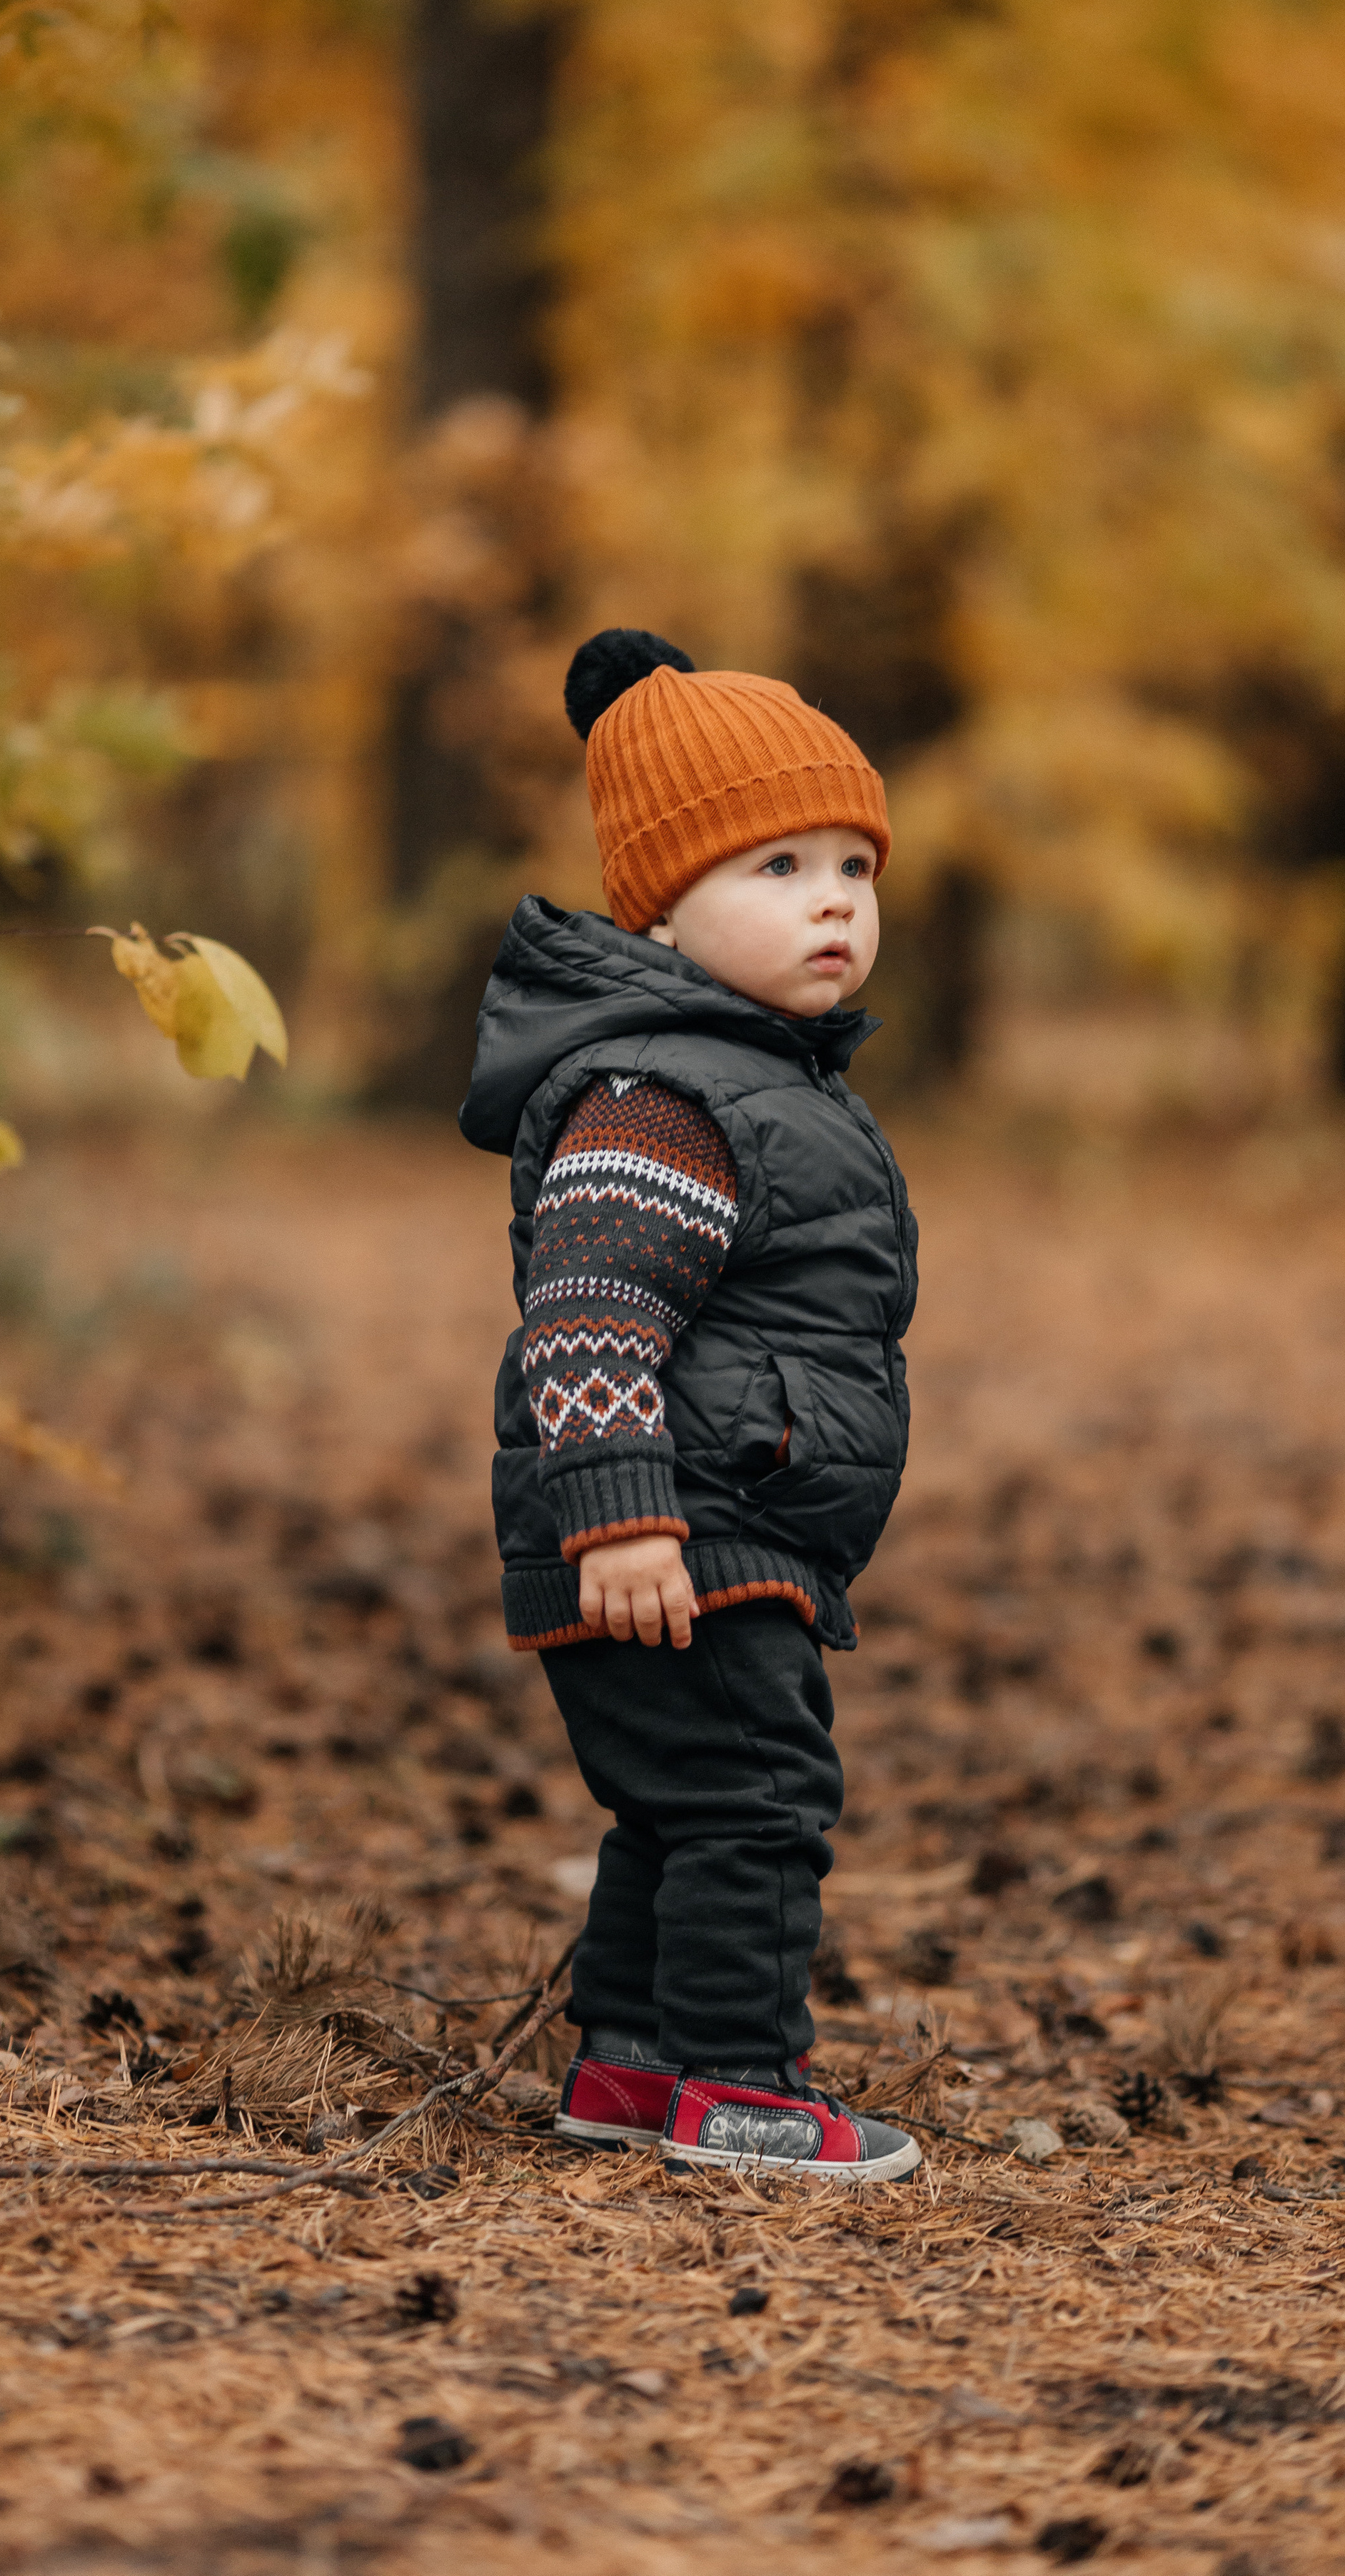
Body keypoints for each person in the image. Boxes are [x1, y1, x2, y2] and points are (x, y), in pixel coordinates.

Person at [459, 629, 922, 2183]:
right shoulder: (660, 1095)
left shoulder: (750, 1078)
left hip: (718, 1512)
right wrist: (622, 1514)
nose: (832, 901)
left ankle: (633, 2064)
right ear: (657, 905)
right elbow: (586, 1312)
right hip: (674, 1520)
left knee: (674, 1807)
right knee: (754, 1799)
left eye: (853, 866)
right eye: (778, 865)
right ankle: (741, 2084)